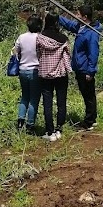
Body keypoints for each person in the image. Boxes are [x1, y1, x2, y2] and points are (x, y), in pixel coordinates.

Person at [58, 4, 102, 130]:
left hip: (85, 69)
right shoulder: (81, 27)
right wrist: (58, 18)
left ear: (85, 17)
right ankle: (91, 118)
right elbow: (69, 25)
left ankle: (89, 121)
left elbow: (93, 53)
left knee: (88, 95)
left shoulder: (91, 33)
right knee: (86, 94)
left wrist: (90, 71)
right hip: (80, 67)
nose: (75, 16)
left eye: (78, 14)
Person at [36, 12, 72, 142]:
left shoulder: (40, 38)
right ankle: (59, 129)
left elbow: (38, 54)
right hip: (61, 74)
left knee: (47, 103)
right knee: (61, 102)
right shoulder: (63, 38)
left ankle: (49, 131)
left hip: (45, 74)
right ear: (57, 23)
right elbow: (68, 56)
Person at [12, 14, 43, 135]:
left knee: (25, 96)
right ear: (39, 25)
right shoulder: (40, 38)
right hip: (35, 71)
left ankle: (20, 122)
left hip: (22, 70)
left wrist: (19, 57)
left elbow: (15, 50)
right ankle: (30, 125)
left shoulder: (22, 37)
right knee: (34, 99)